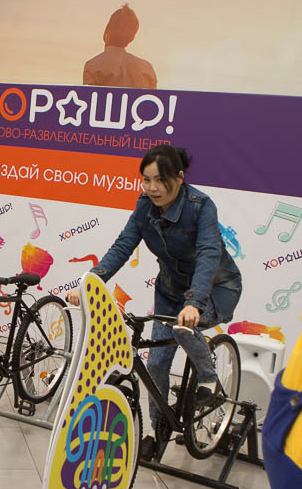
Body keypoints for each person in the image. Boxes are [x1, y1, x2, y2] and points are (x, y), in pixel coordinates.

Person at [66, 145, 241, 445]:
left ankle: (209, 379)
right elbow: (123, 245)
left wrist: (194, 302)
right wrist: (90, 283)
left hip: (215, 289)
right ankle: (156, 431)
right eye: (146, 180)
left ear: (180, 178)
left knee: (184, 328)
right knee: (156, 364)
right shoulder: (145, 206)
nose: (152, 188)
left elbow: (208, 254)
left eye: (160, 180)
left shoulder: (201, 206)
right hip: (170, 293)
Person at [82, 4, 158, 89]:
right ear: (132, 38)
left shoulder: (93, 66)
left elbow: (89, 97)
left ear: (107, 29)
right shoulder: (147, 69)